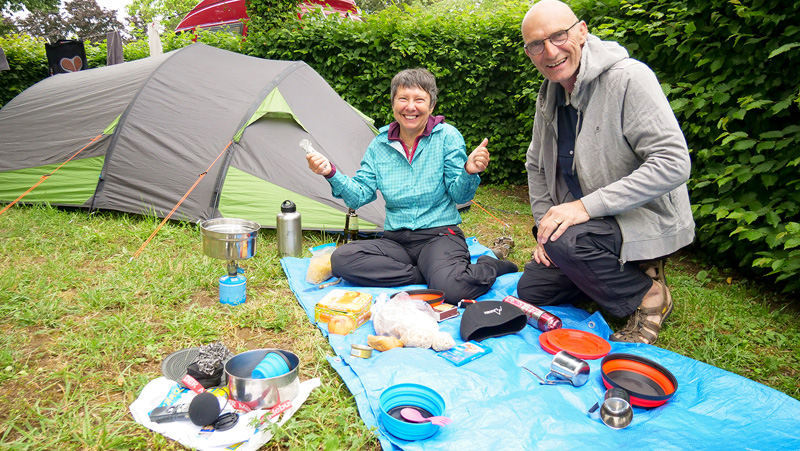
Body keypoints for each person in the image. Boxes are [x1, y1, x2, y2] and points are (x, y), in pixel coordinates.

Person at [516, 0, 695, 344]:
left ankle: (650, 295)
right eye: (536, 44)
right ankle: (619, 269)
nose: (550, 51)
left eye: (559, 36)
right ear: (529, 53)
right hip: (592, 224)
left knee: (567, 241)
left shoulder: (629, 78)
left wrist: (582, 208)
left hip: (641, 216)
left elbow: (673, 162)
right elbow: (536, 165)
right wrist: (544, 228)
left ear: (582, 31)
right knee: (533, 289)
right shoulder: (549, 94)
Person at [307, 68, 518, 304]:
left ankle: (489, 265)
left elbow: (460, 195)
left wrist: (469, 171)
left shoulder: (447, 137)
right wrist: (330, 172)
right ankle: (425, 274)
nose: (410, 107)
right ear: (393, 103)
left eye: (419, 100)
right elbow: (358, 196)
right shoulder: (379, 146)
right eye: (403, 99)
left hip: (439, 236)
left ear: (431, 105)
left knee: (452, 291)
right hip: (396, 241)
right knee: (342, 259)